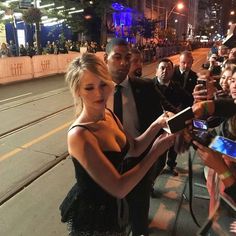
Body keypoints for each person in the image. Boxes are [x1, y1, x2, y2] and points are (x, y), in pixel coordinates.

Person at [60, 53, 175, 235]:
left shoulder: (109, 115)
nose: (99, 93)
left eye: (103, 85)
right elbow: (119, 187)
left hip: (118, 208)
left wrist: (158, 123)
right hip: (96, 218)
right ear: (78, 91)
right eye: (89, 88)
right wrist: (155, 152)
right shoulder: (80, 135)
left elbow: (134, 147)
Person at [104, 38, 176, 236]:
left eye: (127, 57)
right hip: (107, 163)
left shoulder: (145, 87)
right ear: (105, 59)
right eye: (117, 57)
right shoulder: (98, 91)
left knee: (139, 214)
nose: (124, 62)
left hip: (139, 160)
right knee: (111, 217)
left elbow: (165, 116)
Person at [153, 58, 193, 176]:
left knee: (173, 148)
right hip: (156, 125)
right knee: (157, 155)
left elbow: (189, 99)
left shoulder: (176, 86)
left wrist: (181, 113)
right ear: (157, 71)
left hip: (173, 123)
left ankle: (170, 166)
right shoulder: (150, 85)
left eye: (168, 68)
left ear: (172, 72)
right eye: (162, 68)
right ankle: (152, 180)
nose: (165, 71)